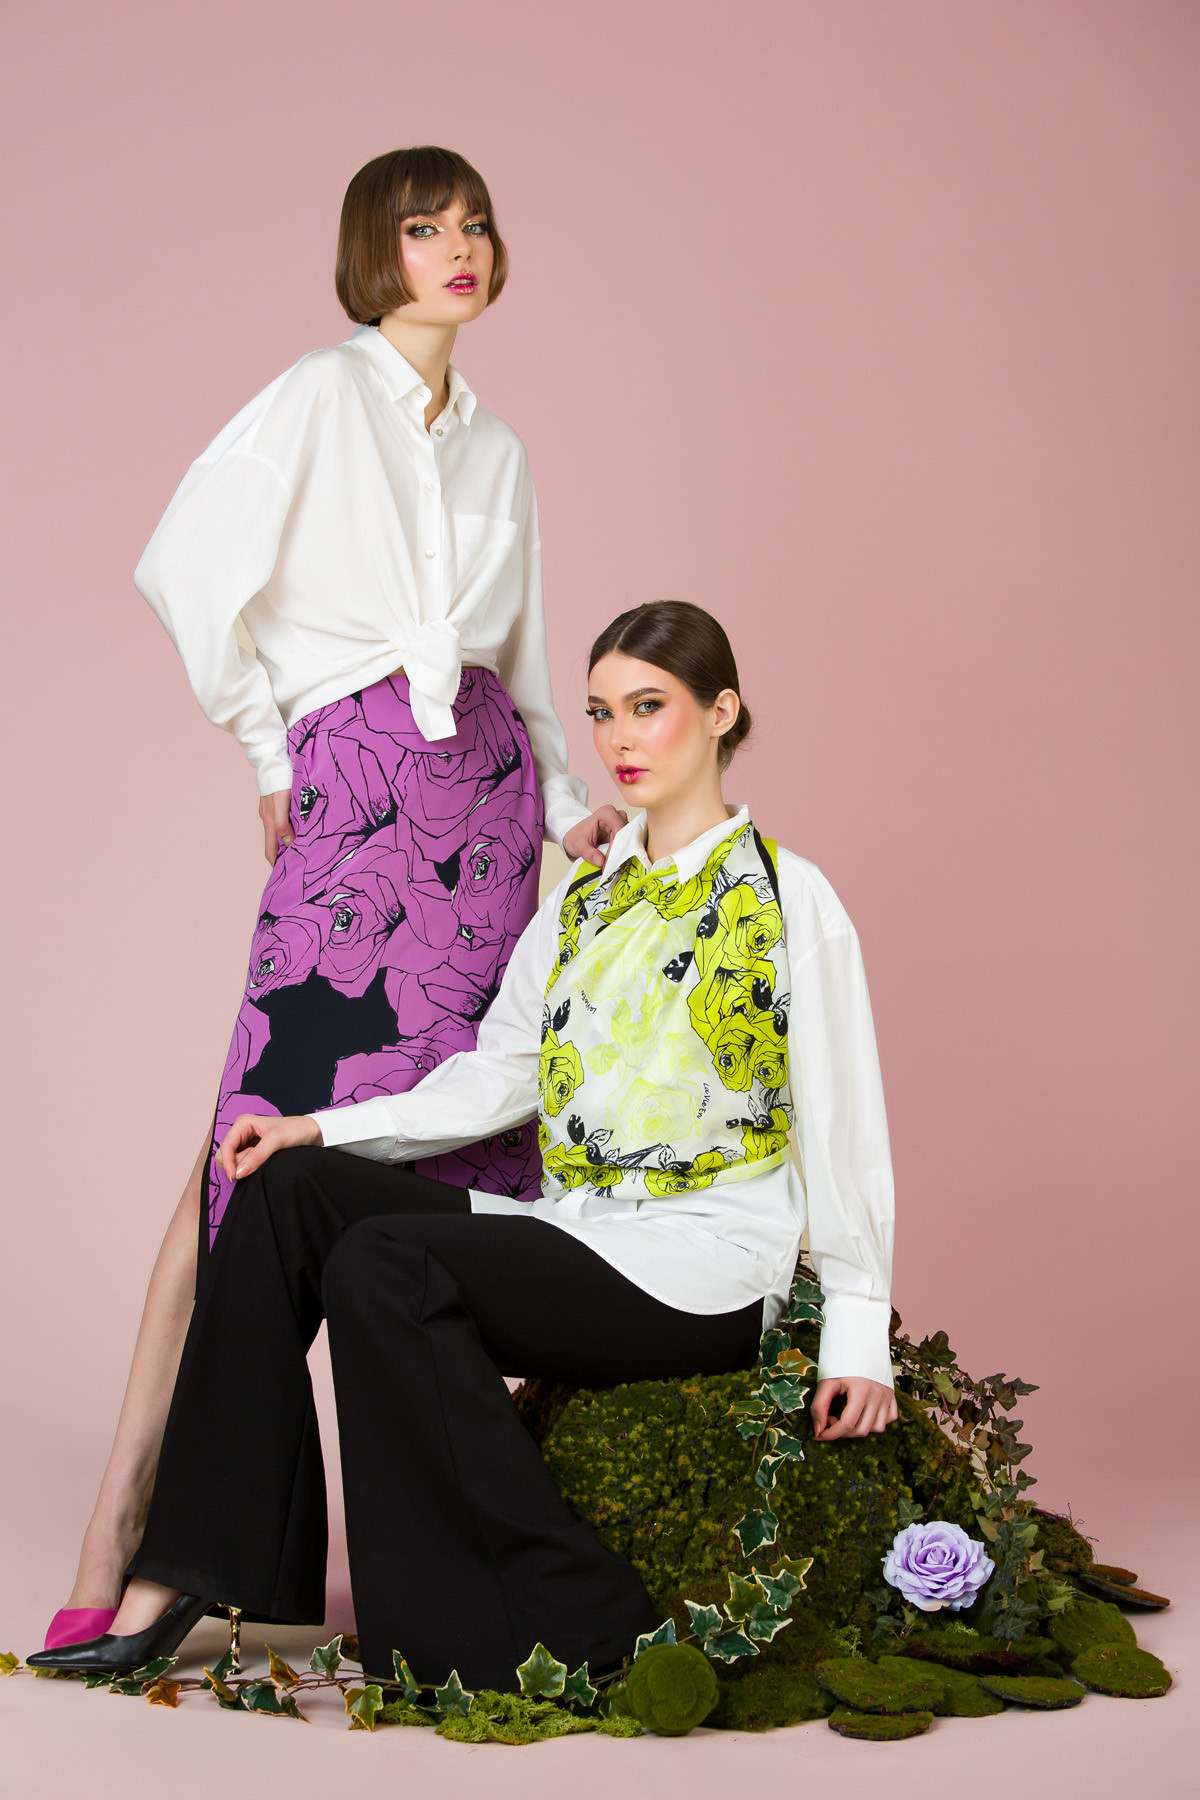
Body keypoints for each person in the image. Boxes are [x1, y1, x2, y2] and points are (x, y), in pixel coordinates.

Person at [32, 601, 896, 1689]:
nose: (619, 740)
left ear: (722, 713)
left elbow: (845, 1113)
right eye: (600, 714)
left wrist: (858, 1330)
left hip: (705, 1264)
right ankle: (199, 1558)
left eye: (649, 707)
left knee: (384, 1265)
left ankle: (580, 1622)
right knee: (286, 1189)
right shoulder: (586, 898)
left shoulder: (788, 895)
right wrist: (317, 1127)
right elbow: (500, 1075)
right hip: (581, 1232)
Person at [45, 146, 623, 1654]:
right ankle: (132, 1515)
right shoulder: (315, 396)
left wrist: (567, 806)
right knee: (249, 1155)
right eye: (425, 228)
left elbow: (525, 663)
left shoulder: (503, 451)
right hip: (357, 797)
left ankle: (478, 1540)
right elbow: (183, 569)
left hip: (488, 821)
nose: (459, 248)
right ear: (376, 251)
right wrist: (269, 746)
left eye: (475, 224)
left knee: (459, 1159)